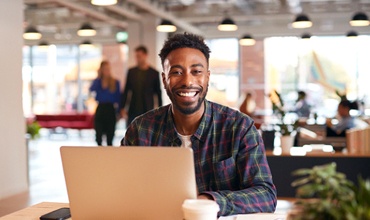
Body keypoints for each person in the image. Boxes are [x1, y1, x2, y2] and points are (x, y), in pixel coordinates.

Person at [121, 33, 277, 216]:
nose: (187, 81)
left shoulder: (240, 127)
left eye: (196, 71)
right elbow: (121, 188)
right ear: (164, 80)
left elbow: (266, 195)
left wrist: (209, 201)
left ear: (207, 77)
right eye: (177, 72)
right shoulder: (141, 130)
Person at [120, 45, 163, 125]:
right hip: (133, 109)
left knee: (147, 133)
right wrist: (122, 107)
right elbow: (126, 90)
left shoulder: (154, 73)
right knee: (132, 132)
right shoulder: (131, 72)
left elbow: (158, 93)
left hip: (148, 109)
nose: (137, 59)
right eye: (136, 56)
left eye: (139, 56)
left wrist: (160, 111)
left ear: (145, 55)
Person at [89, 61, 120, 146]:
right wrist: (99, 76)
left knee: (110, 136)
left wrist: (118, 112)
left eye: (108, 69)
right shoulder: (98, 82)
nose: (107, 71)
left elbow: (118, 98)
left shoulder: (115, 82)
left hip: (110, 110)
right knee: (98, 135)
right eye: (104, 69)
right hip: (100, 108)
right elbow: (91, 89)